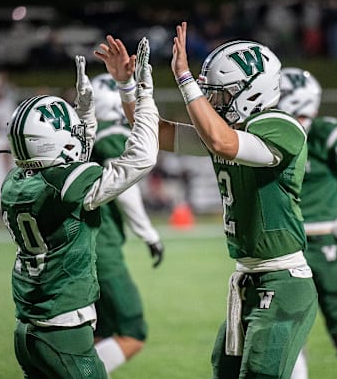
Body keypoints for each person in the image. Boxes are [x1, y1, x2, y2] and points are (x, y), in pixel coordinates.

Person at [95, 21, 318, 379]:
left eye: (222, 93)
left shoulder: (281, 125)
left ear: (252, 91)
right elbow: (157, 134)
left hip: (283, 281)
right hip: (247, 281)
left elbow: (222, 143)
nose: (214, 101)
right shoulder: (230, 131)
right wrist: (126, 85)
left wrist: (184, 78)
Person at [2, 48, 159, 379]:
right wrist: (143, 96)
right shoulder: (67, 186)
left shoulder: (15, 183)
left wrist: (84, 115)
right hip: (63, 330)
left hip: (29, 329)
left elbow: (70, 164)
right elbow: (142, 158)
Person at [276, 67, 337, 379]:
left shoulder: (324, 134)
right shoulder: (271, 133)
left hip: (322, 242)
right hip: (285, 245)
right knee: (288, 328)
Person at [88, 71, 165, 374]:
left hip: (79, 243)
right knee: (132, 330)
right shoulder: (110, 135)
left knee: (98, 332)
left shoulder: (82, 138)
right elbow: (125, 190)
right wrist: (149, 234)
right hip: (101, 246)